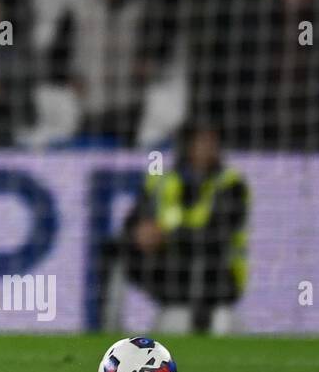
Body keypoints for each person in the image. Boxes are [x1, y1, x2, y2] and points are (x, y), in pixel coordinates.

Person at [100, 122, 249, 335]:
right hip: (169, 266)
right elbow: (133, 221)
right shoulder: (162, 181)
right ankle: (109, 330)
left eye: (212, 142)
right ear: (187, 145)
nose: (208, 147)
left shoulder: (230, 184)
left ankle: (201, 323)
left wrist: (166, 235)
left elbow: (219, 233)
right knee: (115, 249)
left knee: (204, 254)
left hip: (217, 271)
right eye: (202, 141)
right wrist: (139, 233)